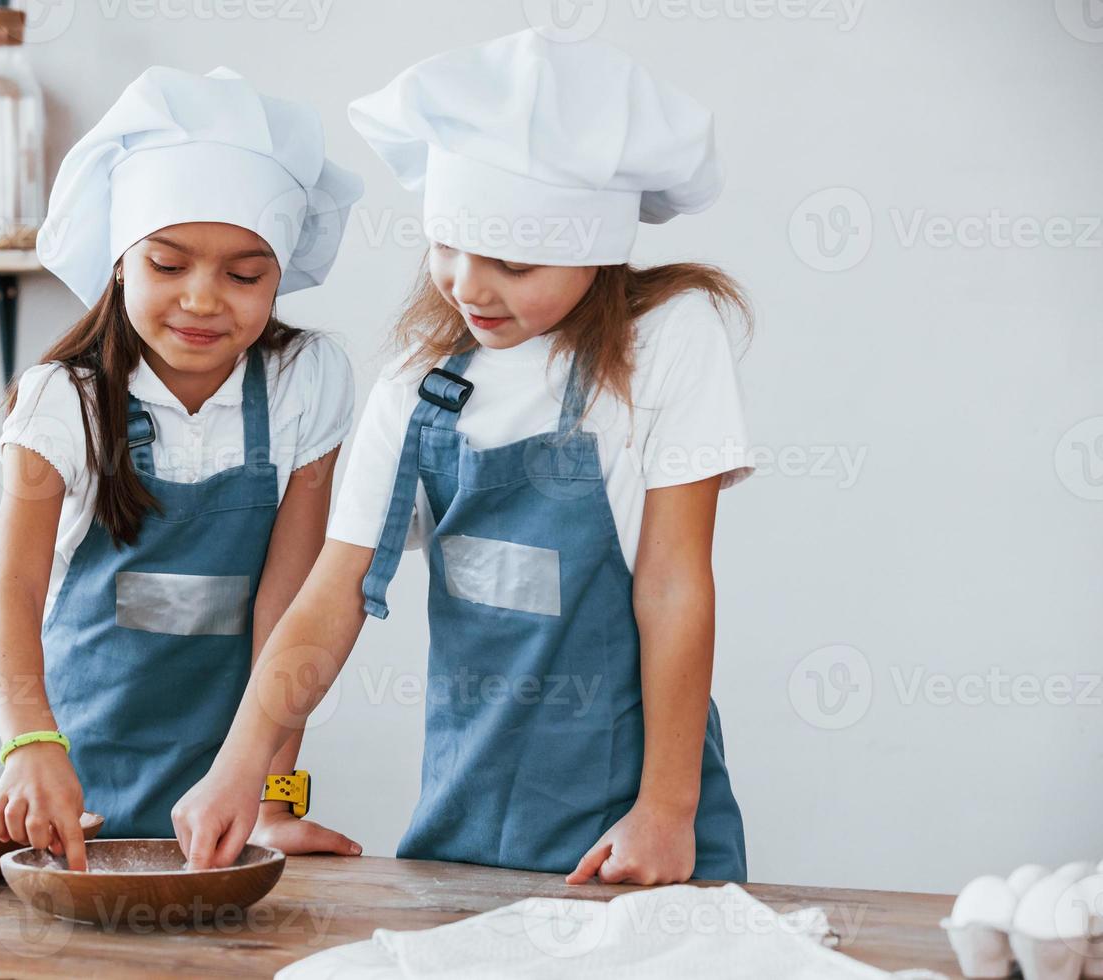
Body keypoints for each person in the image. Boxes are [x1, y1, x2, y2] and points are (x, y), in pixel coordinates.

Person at [171, 30, 754, 886]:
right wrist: (242, 767)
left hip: (635, 822)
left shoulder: (668, 340)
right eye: (446, 246)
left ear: (594, 249)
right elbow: (331, 595)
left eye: (514, 265)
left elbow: (672, 585)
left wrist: (667, 811)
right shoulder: (419, 384)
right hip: (465, 820)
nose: (469, 287)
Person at [0, 65, 365, 871]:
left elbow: (288, 606)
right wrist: (29, 743)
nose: (202, 298)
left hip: (232, 794)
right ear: (119, 261)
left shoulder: (306, 381)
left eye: (244, 274)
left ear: (279, 275)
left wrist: (272, 793)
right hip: (75, 787)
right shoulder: (64, 401)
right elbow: (10, 589)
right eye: (168, 264)